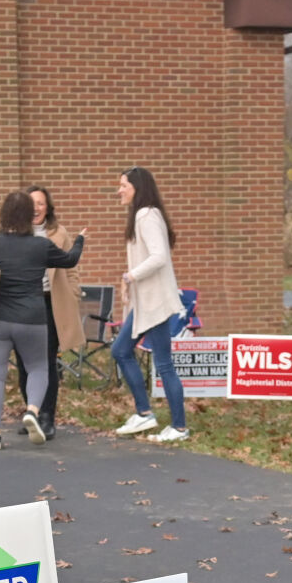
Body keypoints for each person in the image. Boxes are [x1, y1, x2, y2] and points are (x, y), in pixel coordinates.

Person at [0, 191, 83, 451]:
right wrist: (81, 239)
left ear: (3, 214)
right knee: (39, 368)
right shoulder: (41, 246)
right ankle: (32, 410)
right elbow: (71, 259)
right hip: (32, 318)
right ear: (30, 216)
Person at [110, 167, 189, 442]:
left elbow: (159, 257)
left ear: (137, 188)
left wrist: (129, 276)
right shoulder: (143, 215)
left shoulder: (147, 215)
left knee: (163, 363)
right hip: (146, 304)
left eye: (123, 185)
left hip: (155, 304)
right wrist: (130, 283)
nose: (119, 190)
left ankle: (178, 427)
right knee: (120, 350)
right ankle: (144, 414)